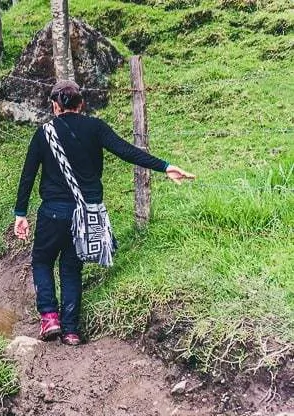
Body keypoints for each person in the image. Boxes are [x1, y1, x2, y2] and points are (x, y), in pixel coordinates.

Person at [13, 80, 195, 345]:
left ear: (54, 106)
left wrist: (20, 213)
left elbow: (28, 175)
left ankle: (50, 317)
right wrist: (165, 166)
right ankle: (71, 331)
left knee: (42, 260)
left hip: (53, 212)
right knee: (72, 267)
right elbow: (127, 151)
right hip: (87, 215)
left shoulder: (44, 133)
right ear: (81, 104)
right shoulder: (95, 128)